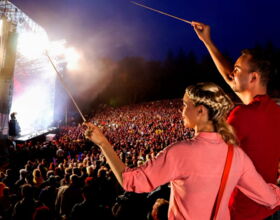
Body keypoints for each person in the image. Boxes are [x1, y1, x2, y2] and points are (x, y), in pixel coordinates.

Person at [84, 82, 280, 219]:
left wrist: (103, 143)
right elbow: (270, 199)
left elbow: (131, 181)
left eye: (185, 105)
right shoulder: (236, 155)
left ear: (201, 111)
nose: (181, 110)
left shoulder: (181, 152)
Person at [192, 21, 280, 219]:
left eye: (237, 69)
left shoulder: (242, 115)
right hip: (270, 210)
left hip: (242, 212)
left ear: (253, 78)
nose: (232, 73)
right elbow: (231, 79)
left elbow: (207, 159)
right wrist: (208, 42)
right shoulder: (274, 111)